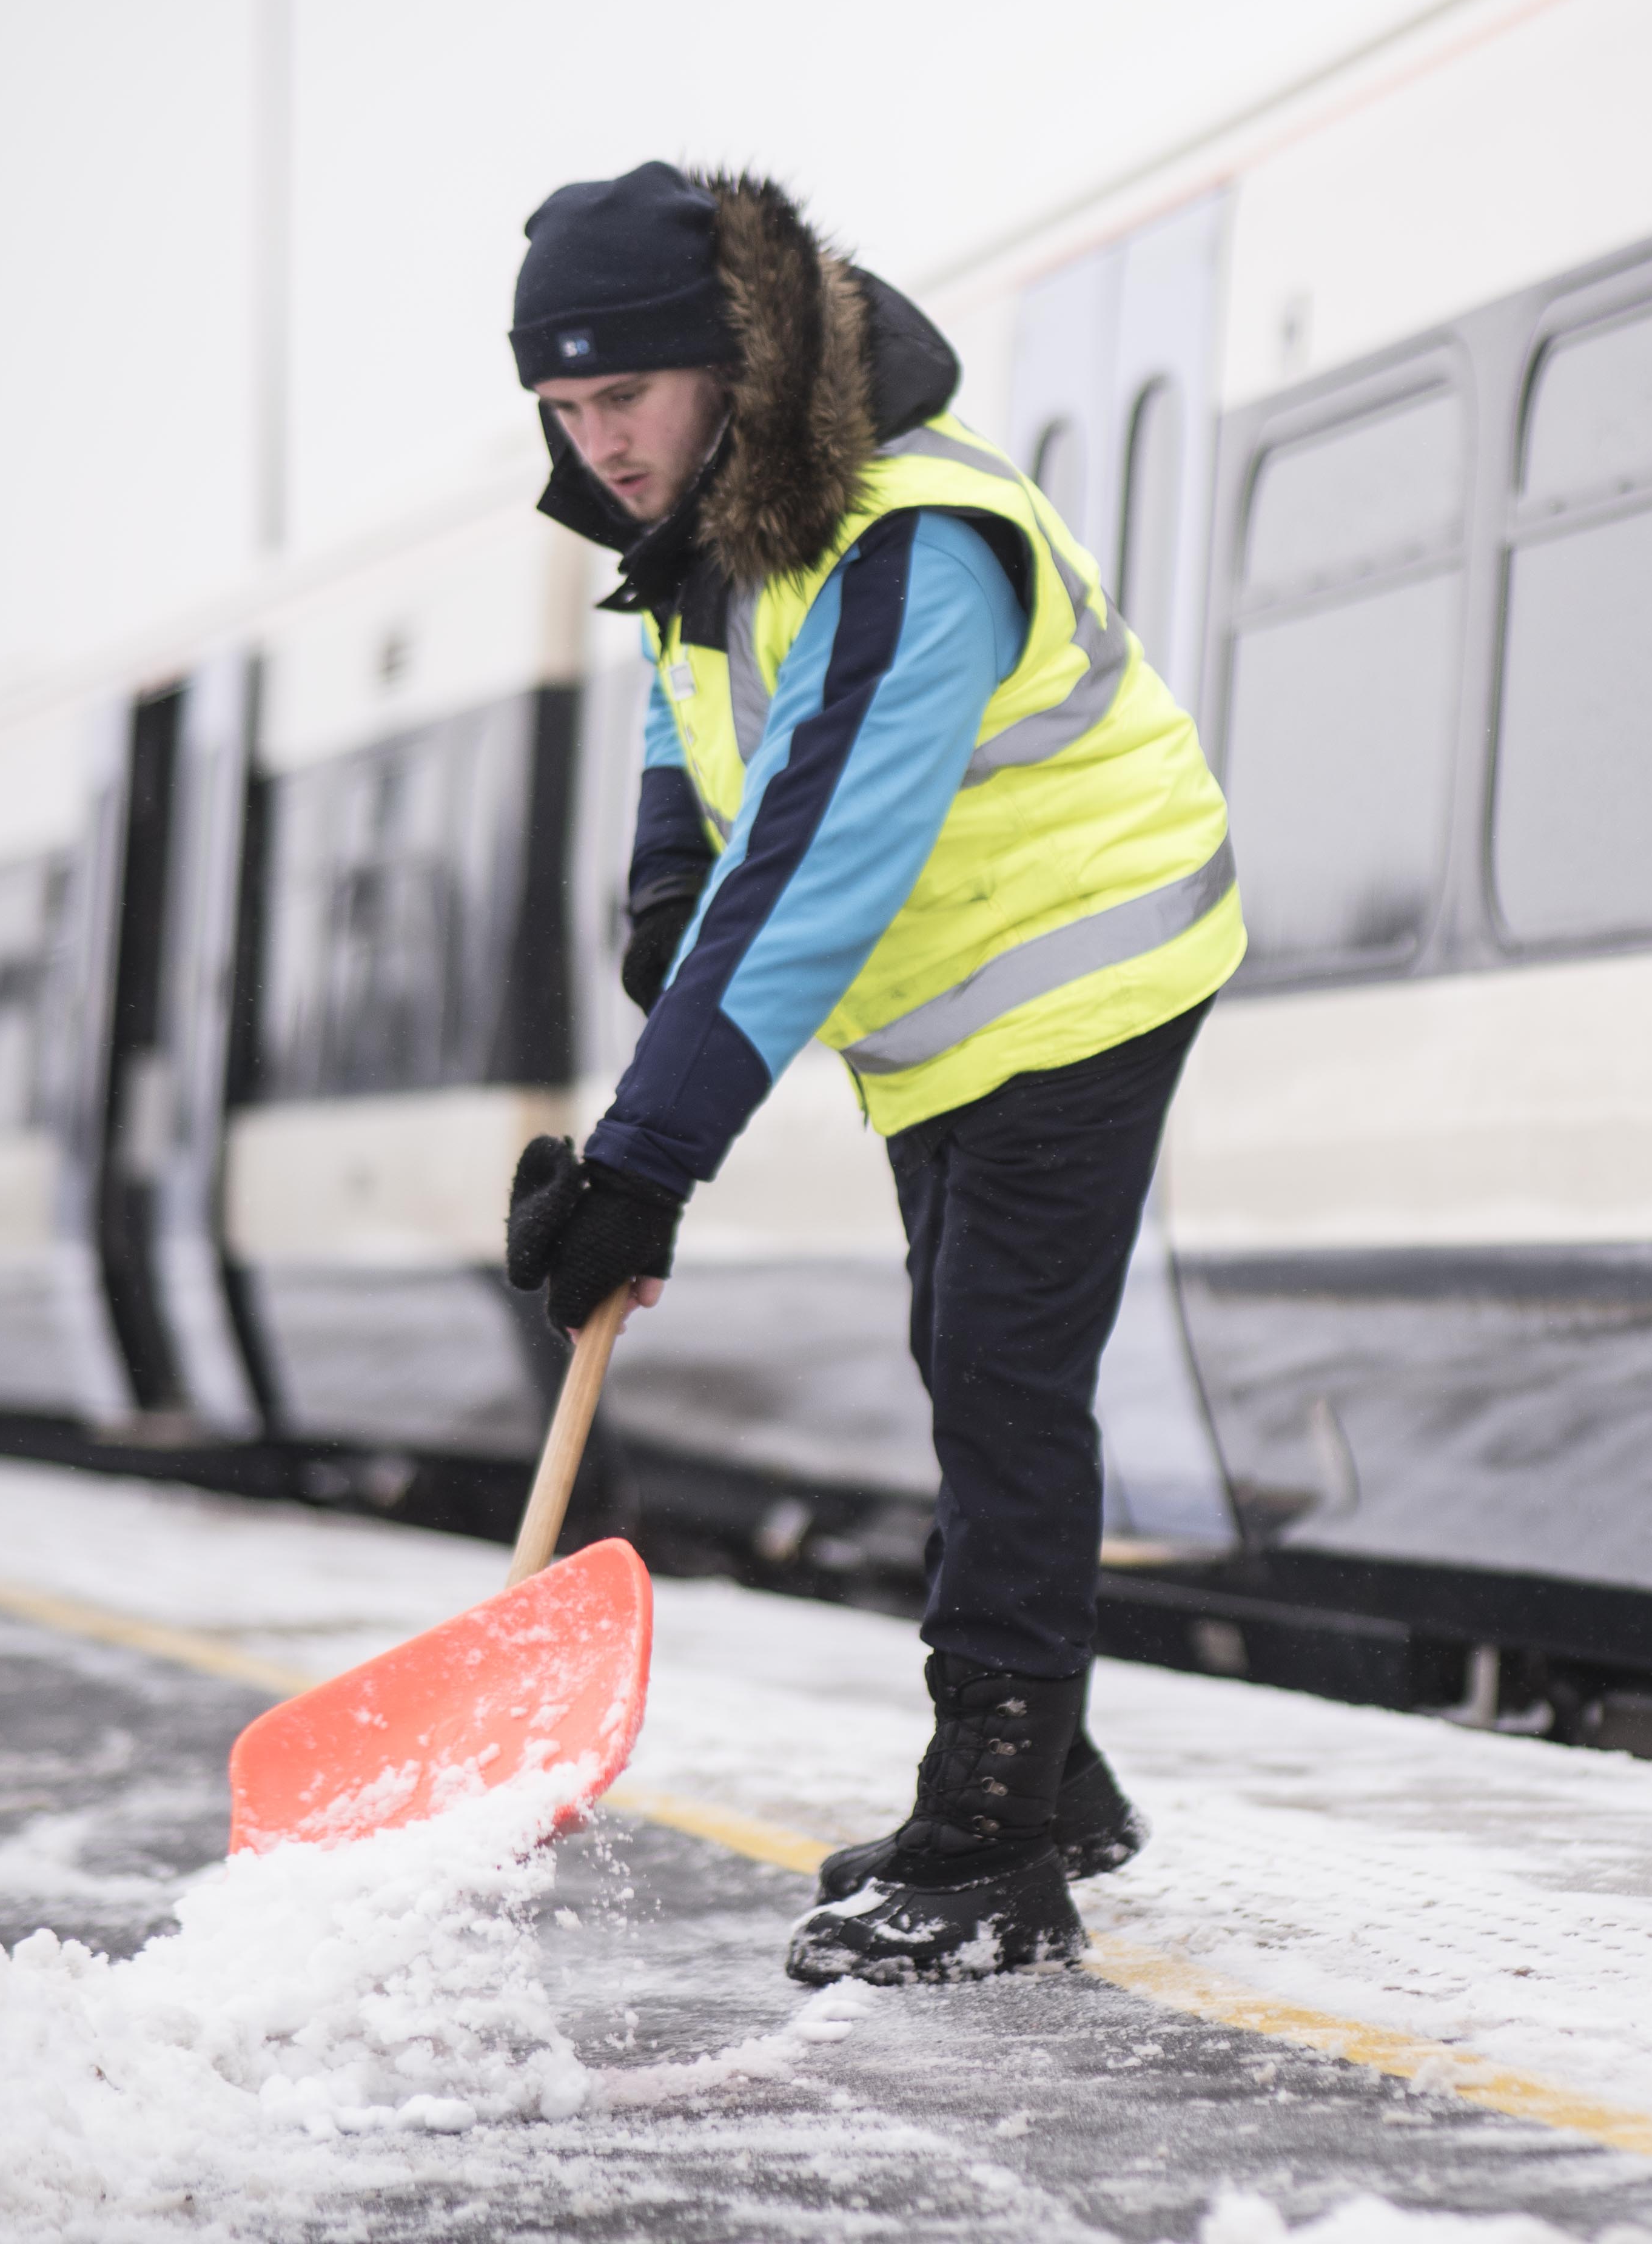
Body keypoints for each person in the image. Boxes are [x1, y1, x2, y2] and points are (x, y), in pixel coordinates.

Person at [492, 162, 1243, 1985]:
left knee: (1002, 1374)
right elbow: (708, 724)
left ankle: (994, 1845)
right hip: (949, 1021)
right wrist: (670, 874)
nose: (602, 448)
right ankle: (1052, 1776)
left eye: (627, 398)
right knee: (962, 1356)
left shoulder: (914, 534)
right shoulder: (717, 512)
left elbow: (823, 855)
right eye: (565, 412)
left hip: (1087, 966)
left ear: (729, 360)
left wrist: (648, 1160)